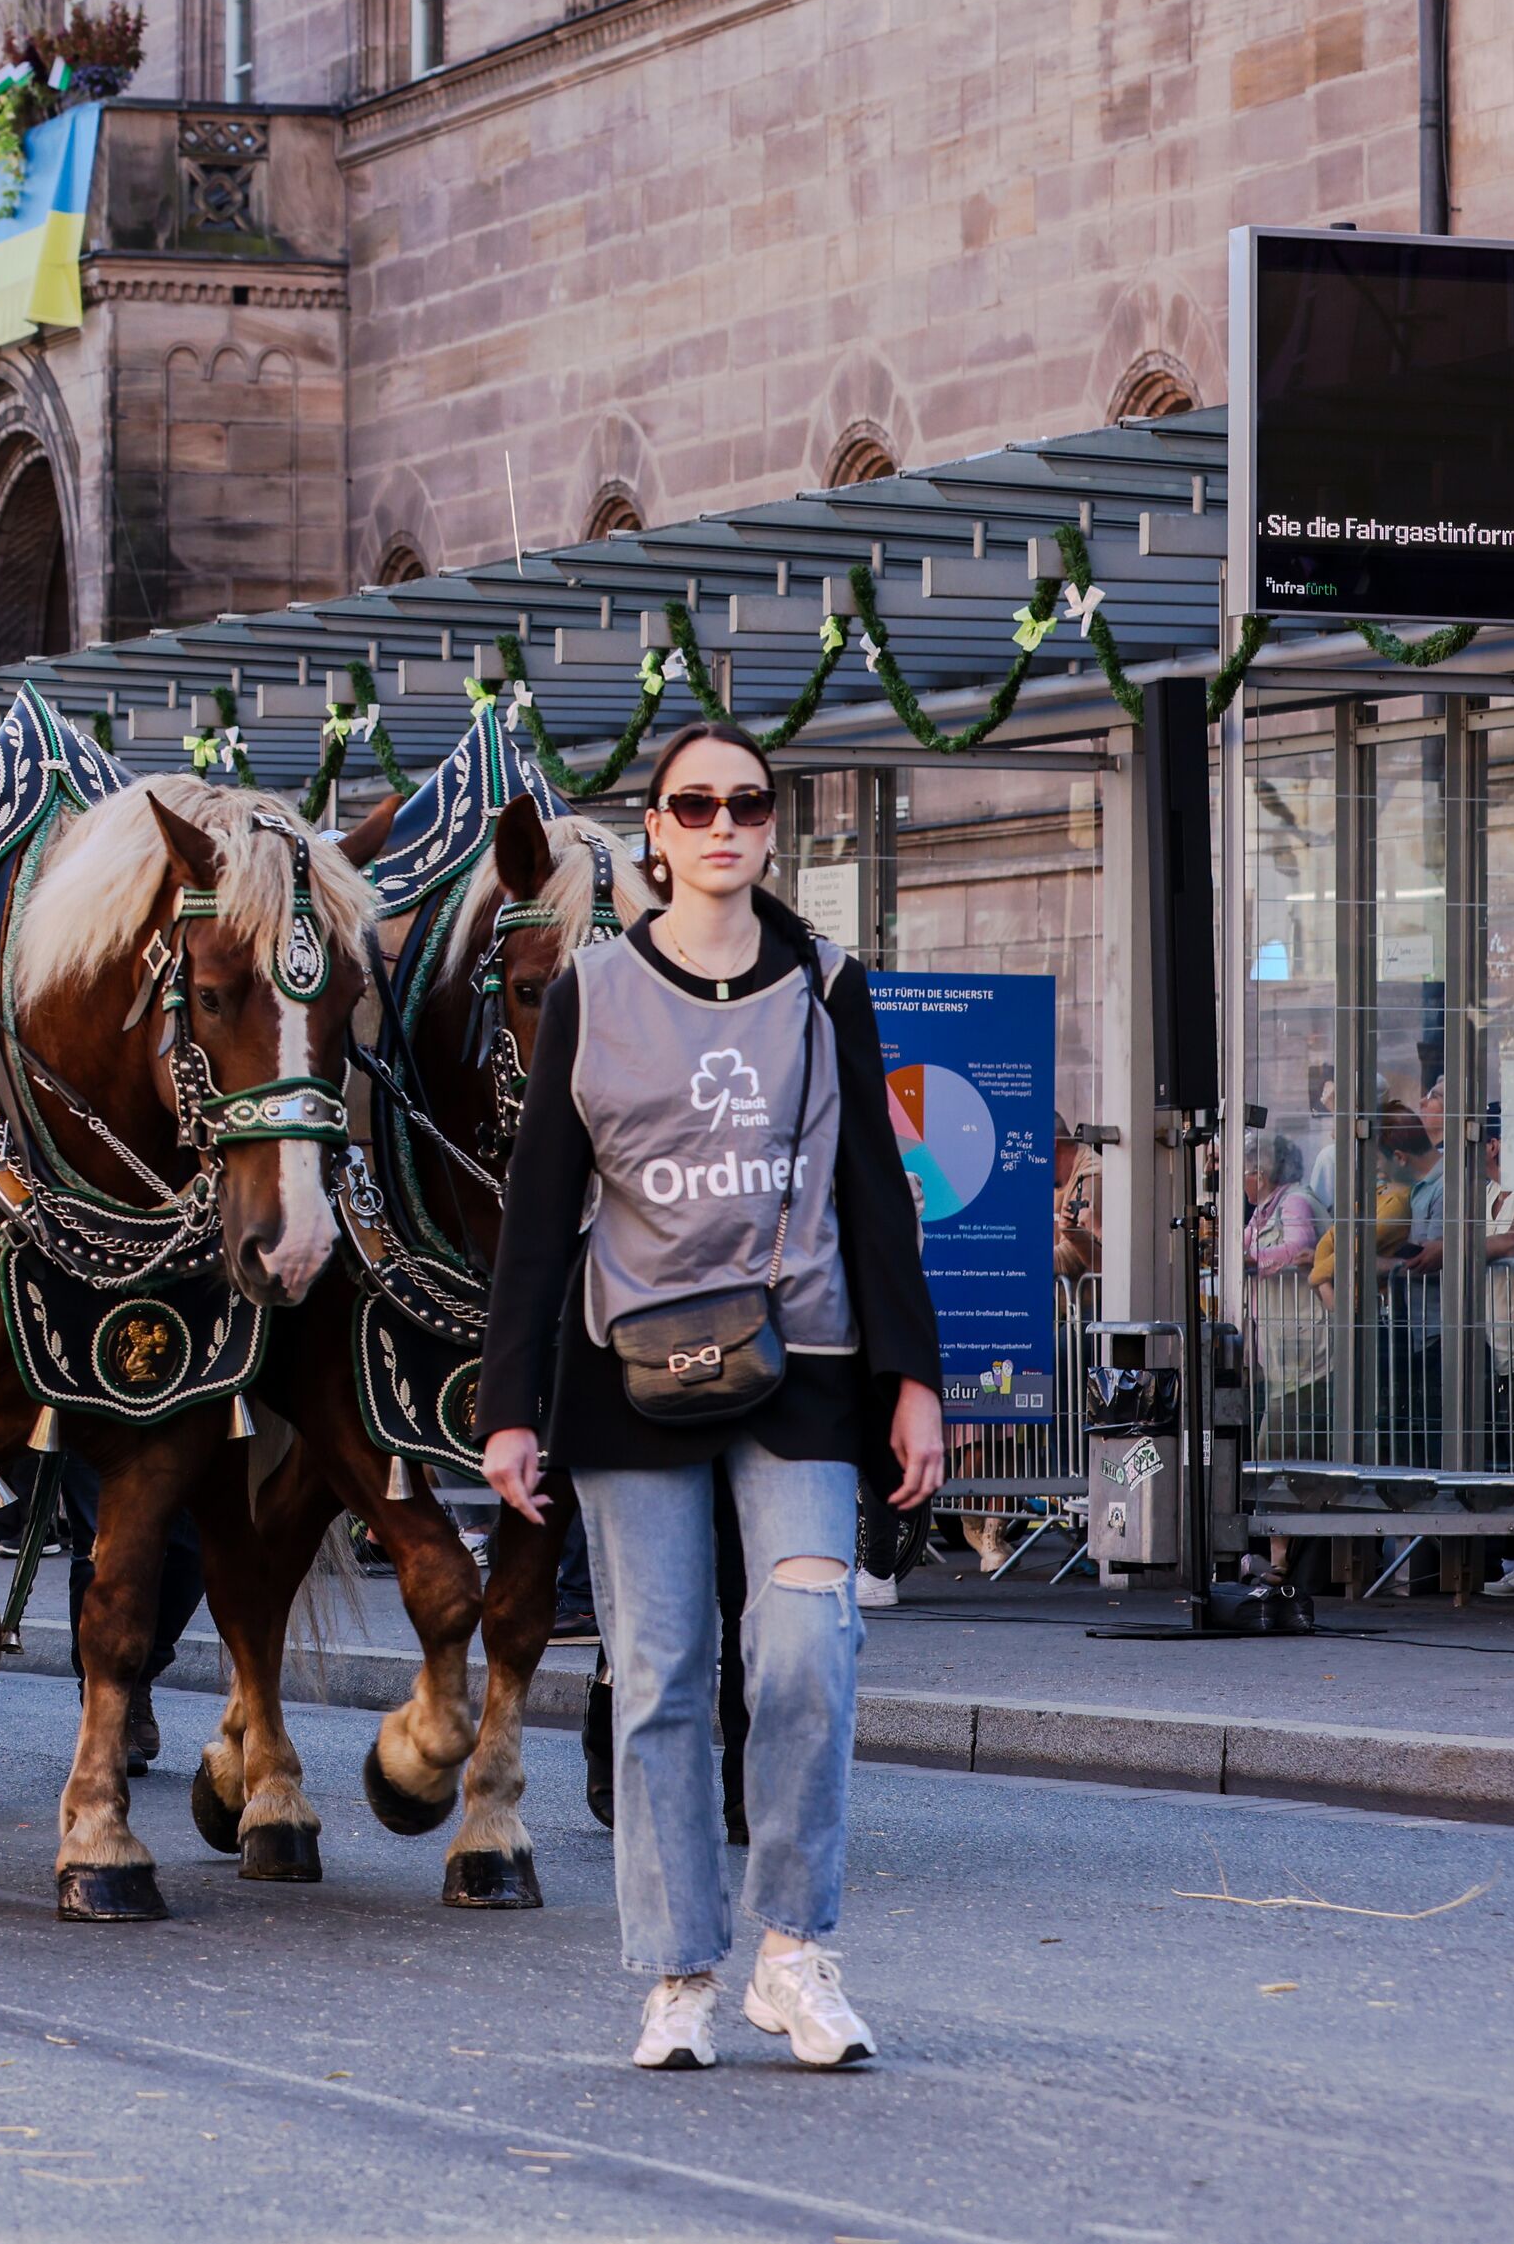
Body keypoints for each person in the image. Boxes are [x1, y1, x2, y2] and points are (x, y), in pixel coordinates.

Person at [481, 722, 942, 2076]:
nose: (723, 824)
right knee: (662, 1674)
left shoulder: (827, 986)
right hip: (631, 1375)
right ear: (658, 832)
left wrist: (914, 1380)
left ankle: (791, 1956)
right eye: (696, 805)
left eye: (747, 802)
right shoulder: (594, 989)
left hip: (805, 1368)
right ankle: (680, 1970)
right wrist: (510, 1405)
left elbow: (876, 1194)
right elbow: (538, 1212)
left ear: (772, 826)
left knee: (806, 1651)